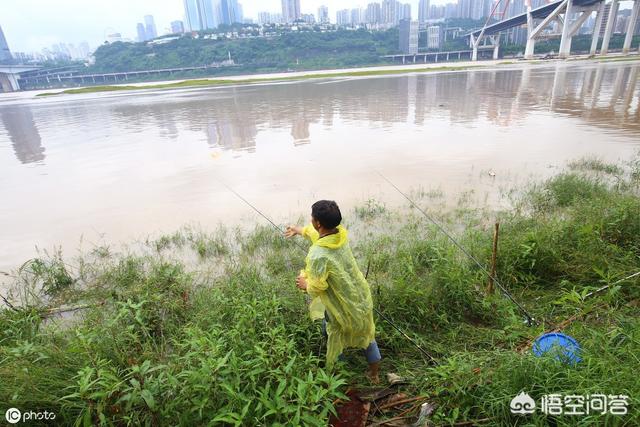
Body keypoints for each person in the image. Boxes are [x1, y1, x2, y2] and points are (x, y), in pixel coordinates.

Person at [285, 200, 381, 383]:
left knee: (334, 334)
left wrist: (305, 284)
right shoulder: (340, 235)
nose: (311, 220)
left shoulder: (318, 255)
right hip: (359, 296)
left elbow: (318, 287)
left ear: (318, 223)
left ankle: (340, 375)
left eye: (312, 217)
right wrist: (298, 230)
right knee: (367, 334)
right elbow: (317, 235)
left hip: (339, 304)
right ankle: (375, 376)